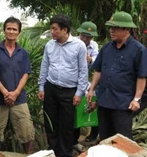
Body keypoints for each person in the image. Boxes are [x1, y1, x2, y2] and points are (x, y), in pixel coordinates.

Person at [87, 11, 147, 141]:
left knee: (122, 141)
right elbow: (98, 71)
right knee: (105, 139)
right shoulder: (107, 48)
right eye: (110, 27)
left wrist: (136, 99)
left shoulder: (139, 50)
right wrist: (92, 89)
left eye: (115, 28)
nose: (111, 31)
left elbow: (142, 76)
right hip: (104, 102)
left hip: (123, 104)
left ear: (126, 30)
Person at [38, 13, 88, 157]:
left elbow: (83, 71)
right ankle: (52, 151)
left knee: (67, 125)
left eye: (55, 29)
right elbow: (45, 66)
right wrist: (42, 87)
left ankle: (65, 153)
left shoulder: (79, 46)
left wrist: (79, 93)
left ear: (65, 30)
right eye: (51, 29)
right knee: (51, 122)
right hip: (51, 88)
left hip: (69, 91)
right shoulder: (49, 45)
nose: (52, 32)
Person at [0, 16, 35, 157]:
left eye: (14, 29)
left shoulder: (23, 53)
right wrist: (6, 92)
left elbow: (26, 74)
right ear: (4, 30)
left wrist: (15, 93)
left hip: (19, 99)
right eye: (9, 29)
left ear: (19, 32)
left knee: (26, 131)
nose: (11, 32)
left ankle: (28, 155)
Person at [75, 21, 100, 149]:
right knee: (75, 108)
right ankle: (75, 138)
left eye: (88, 37)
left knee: (93, 103)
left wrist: (91, 60)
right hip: (73, 81)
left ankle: (93, 134)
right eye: (83, 35)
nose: (85, 39)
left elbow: (97, 61)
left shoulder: (94, 45)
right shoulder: (73, 42)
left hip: (86, 81)